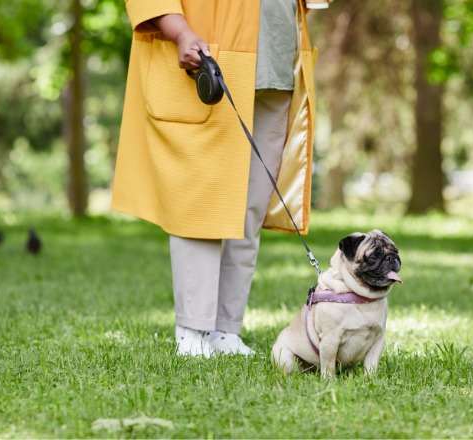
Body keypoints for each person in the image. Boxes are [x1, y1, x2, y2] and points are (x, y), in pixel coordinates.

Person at [111, 0, 318, 356]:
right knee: (201, 204)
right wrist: (180, 31)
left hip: (279, 62)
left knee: (249, 208)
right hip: (209, 57)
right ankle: (192, 330)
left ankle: (225, 331)